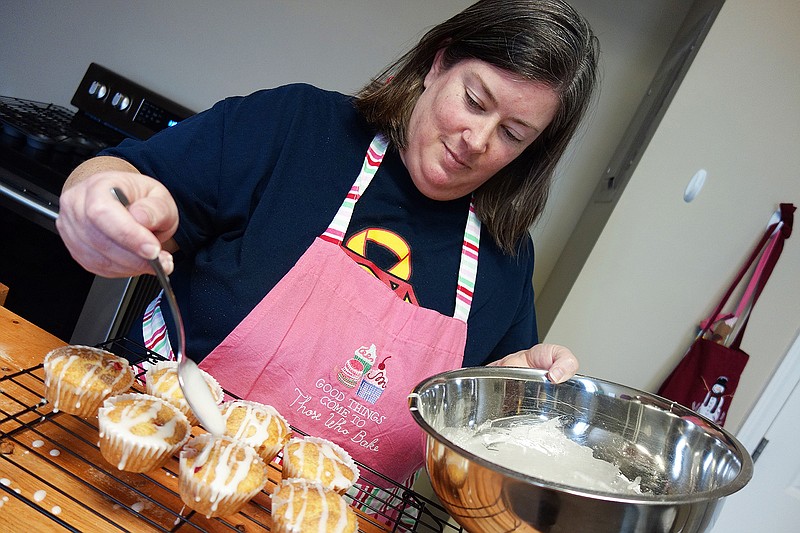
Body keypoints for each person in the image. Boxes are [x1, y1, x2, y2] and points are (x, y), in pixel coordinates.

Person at [56, 0, 598, 493]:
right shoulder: (298, 128)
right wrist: (101, 195)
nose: (477, 141)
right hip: (148, 473)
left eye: (513, 134)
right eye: (475, 101)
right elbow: (124, 175)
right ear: (438, 63)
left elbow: (474, 449)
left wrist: (509, 407)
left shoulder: (505, 257)